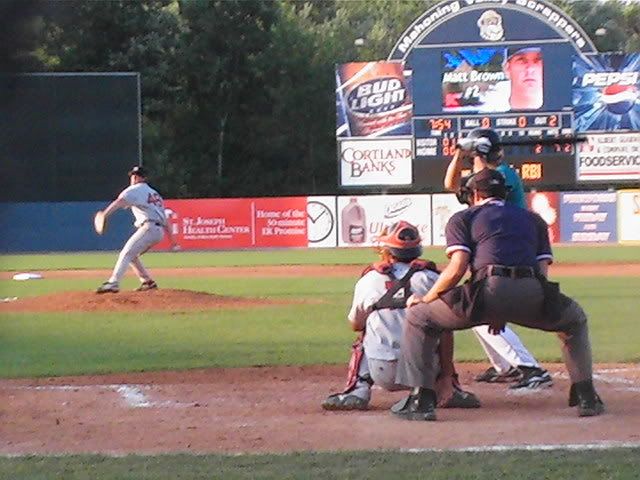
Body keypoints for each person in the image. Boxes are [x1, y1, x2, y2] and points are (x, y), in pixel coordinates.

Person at [391, 168, 604, 421]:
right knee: (574, 320)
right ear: (504, 192)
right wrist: (507, 308)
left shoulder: (464, 217)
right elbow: (542, 272)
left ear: (475, 193)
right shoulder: (533, 219)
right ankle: (586, 395)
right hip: (532, 290)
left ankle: (421, 400)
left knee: (419, 317)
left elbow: (457, 268)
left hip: (487, 290)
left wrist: (426, 299)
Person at [322, 221, 480, 411]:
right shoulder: (433, 279)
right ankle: (450, 387)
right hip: (425, 373)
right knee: (441, 327)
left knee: (363, 335)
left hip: (382, 371)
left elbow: (355, 324)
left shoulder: (369, 279)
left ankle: (357, 390)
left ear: (387, 250)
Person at [443, 128, 552, 389]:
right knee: (477, 308)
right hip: (496, 244)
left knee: (480, 310)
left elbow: (482, 177)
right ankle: (504, 366)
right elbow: (450, 184)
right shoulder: (484, 176)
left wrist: (475, 152)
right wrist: (459, 153)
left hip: (510, 247)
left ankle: (529, 367)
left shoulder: (503, 174)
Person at [96, 165, 178, 294]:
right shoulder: (154, 194)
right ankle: (147, 282)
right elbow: (165, 219)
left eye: (137, 175)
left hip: (149, 228)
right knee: (132, 255)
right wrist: (173, 242)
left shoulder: (133, 190)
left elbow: (119, 202)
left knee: (126, 253)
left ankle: (113, 282)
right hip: (157, 231)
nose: (134, 177)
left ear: (143, 178)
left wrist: (105, 214)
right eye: (133, 175)